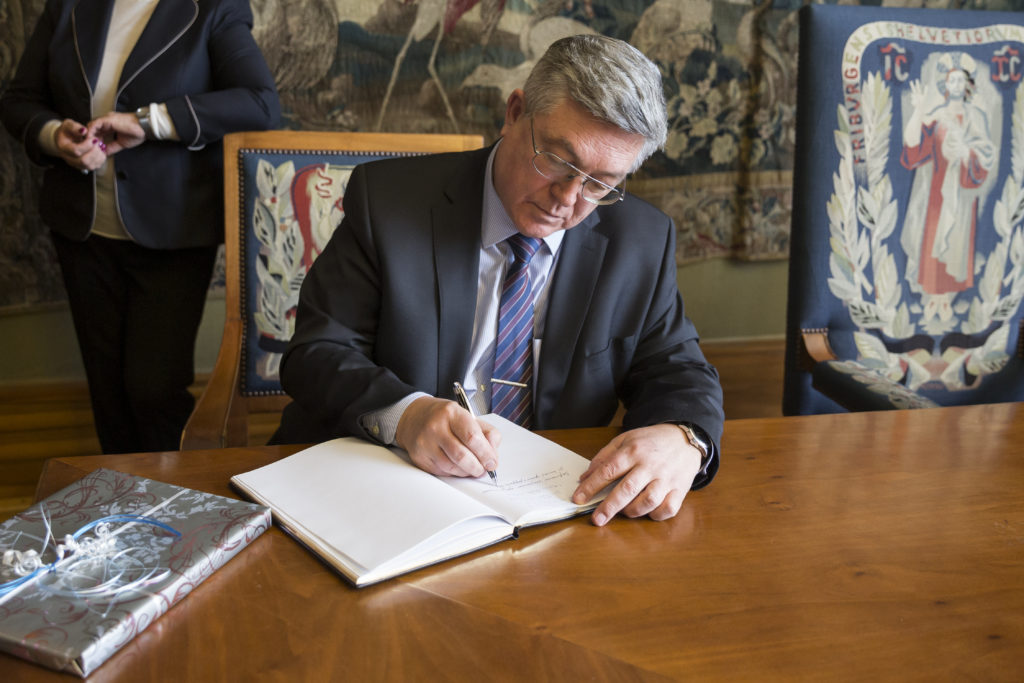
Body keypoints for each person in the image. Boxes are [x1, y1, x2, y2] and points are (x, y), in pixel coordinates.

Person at [272, 35, 724, 526]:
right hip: (377, 484)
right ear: (514, 113)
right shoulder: (387, 201)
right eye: (557, 159)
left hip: (545, 509)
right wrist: (405, 415)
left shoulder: (641, 239)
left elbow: (677, 368)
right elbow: (317, 352)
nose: (567, 199)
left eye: (599, 183)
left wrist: (685, 438)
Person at [1, 0, 280, 453]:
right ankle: (121, 507)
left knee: (153, 390)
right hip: (83, 232)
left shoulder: (212, 8)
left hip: (172, 233)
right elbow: (19, 101)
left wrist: (147, 122)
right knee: (107, 392)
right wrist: (55, 136)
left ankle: (171, 506)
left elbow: (260, 103)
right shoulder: (69, 6)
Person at [901, 51, 996, 324]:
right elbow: (912, 147)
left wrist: (966, 151)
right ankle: (933, 298)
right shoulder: (937, 115)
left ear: (967, 85)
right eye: (950, 80)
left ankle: (948, 300)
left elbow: (985, 153)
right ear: (944, 85)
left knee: (956, 241)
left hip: (963, 194)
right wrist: (918, 109)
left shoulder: (976, 116)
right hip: (936, 190)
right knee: (932, 240)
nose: (955, 85)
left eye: (960, 80)